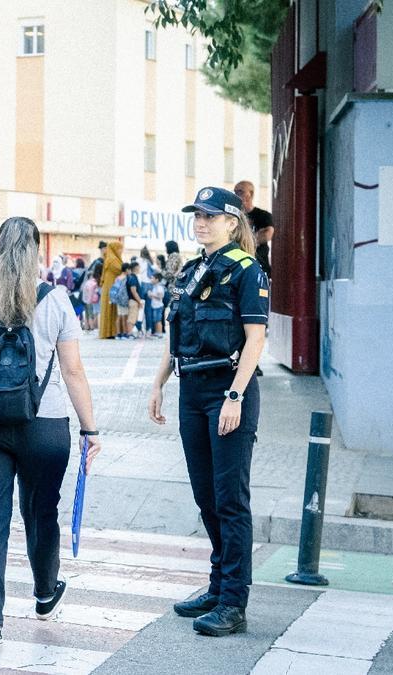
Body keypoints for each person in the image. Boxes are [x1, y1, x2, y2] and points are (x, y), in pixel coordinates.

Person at [0, 216, 102, 654]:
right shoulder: (56, 301)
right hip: (46, 426)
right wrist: (90, 429)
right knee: (41, 512)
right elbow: (73, 371)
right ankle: (45, 594)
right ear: (36, 253)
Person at [148, 186, 269, 638]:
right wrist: (157, 383)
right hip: (192, 390)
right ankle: (218, 586)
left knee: (230, 499)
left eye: (211, 216)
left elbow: (255, 340)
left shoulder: (245, 270)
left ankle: (234, 601)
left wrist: (235, 397)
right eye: (197, 215)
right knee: (206, 496)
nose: (201, 222)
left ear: (232, 223)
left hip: (228, 389)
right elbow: (174, 332)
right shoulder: (191, 270)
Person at [234, 181, 274, 278]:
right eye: (235, 192)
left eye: (240, 192)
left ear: (250, 194)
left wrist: (242, 240)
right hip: (238, 268)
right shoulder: (233, 217)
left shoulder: (264, 216)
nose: (236, 195)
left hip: (259, 267)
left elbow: (267, 235)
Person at [97, 241, 124, 339]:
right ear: (114, 249)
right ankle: (109, 333)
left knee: (112, 310)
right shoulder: (112, 260)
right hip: (111, 287)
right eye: (119, 249)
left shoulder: (111, 258)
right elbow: (121, 269)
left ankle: (111, 332)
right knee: (110, 310)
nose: (121, 251)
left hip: (110, 287)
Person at [127, 261, 145, 338]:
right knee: (132, 318)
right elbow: (133, 291)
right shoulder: (133, 278)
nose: (140, 268)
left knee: (133, 317)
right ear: (136, 267)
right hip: (133, 301)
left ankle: (130, 333)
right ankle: (130, 333)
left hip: (133, 300)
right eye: (139, 267)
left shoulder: (131, 277)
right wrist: (139, 301)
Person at [148, 273, 166, 337]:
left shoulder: (159, 287)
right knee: (155, 319)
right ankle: (156, 332)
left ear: (157, 279)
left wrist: (151, 294)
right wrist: (150, 295)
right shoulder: (154, 287)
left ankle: (160, 333)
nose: (151, 279)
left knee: (158, 320)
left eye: (152, 278)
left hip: (158, 306)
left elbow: (160, 296)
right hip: (154, 305)